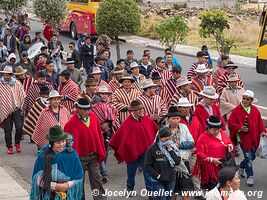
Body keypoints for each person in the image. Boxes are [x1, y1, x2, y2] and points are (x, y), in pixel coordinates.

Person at [109, 100, 158, 196]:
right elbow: (118, 137)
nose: (140, 111)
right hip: (132, 152)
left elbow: (155, 131)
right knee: (131, 172)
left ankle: (151, 192)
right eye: (137, 110)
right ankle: (129, 188)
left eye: (141, 109)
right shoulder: (127, 122)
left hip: (146, 152)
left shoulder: (147, 119)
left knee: (147, 172)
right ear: (132, 111)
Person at [64, 98, 107, 200]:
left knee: (97, 180)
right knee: (79, 182)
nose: (87, 112)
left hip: (93, 156)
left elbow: (99, 136)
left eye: (88, 109)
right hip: (79, 158)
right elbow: (68, 143)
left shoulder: (93, 117)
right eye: (84, 109)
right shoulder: (71, 123)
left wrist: (100, 150)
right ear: (78, 109)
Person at [30, 125, 83, 200]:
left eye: (63, 141)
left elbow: (78, 176)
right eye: (58, 142)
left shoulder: (72, 155)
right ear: (52, 143)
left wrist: (67, 185)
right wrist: (54, 186)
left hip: (67, 194)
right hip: (47, 195)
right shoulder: (43, 155)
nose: (62, 145)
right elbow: (36, 178)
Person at [228, 90, 266, 187]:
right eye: (244, 98)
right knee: (248, 158)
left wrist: (263, 131)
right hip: (242, 138)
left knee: (252, 157)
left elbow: (259, 122)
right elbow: (231, 123)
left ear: (251, 100)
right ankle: (250, 176)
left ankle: (241, 166)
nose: (245, 101)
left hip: (254, 138)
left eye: (247, 99)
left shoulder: (255, 110)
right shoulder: (237, 110)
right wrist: (240, 128)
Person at [192, 115, 233, 191]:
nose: (216, 131)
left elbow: (228, 141)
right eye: (214, 130)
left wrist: (230, 144)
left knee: (224, 188)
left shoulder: (222, 133)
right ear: (208, 128)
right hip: (209, 169)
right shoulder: (203, 138)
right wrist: (211, 159)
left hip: (222, 164)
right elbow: (199, 152)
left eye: (218, 129)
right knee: (213, 190)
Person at [164, 107, 194, 200]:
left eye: (177, 118)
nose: (176, 121)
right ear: (168, 119)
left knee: (186, 193)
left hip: (183, 162)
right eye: (173, 118)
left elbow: (191, 142)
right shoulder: (163, 130)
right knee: (173, 191)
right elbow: (156, 144)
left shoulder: (184, 127)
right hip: (169, 164)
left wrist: (179, 145)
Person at [92, 86, 119, 183]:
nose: (104, 95)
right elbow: (92, 118)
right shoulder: (94, 107)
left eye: (106, 94)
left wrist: (108, 123)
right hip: (97, 131)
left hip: (108, 131)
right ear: (99, 95)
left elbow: (115, 116)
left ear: (108, 95)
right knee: (100, 151)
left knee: (106, 151)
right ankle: (103, 173)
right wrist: (100, 125)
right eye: (102, 94)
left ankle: (101, 169)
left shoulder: (112, 106)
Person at [145, 127, 181, 200]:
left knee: (169, 198)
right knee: (162, 198)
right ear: (160, 137)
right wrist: (158, 176)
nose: (168, 141)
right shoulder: (152, 148)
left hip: (171, 179)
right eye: (166, 139)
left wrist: (170, 150)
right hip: (157, 180)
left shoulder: (172, 147)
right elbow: (147, 166)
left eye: (169, 139)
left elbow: (177, 162)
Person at [0, 66, 25, 154]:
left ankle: (17, 143)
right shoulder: (0, 84)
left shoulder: (17, 83)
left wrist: (22, 107)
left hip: (17, 109)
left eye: (8, 75)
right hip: (5, 110)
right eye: (4, 75)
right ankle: (9, 146)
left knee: (19, 127)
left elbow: (22, 94)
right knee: (8, 129)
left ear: (11, 75)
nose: (6, 77)